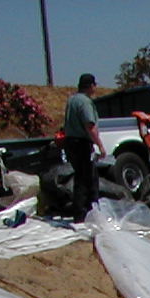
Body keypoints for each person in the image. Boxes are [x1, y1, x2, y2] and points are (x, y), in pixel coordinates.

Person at [62, 73, 105, 223]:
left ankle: (84, 212)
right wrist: (100, 145)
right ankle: (84, 214)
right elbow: (89, 125)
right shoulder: (85, 102)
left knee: (81, 177)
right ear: (91, 86)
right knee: (86, 180)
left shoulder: (72, 100)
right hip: (81, 143)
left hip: (70, 143)